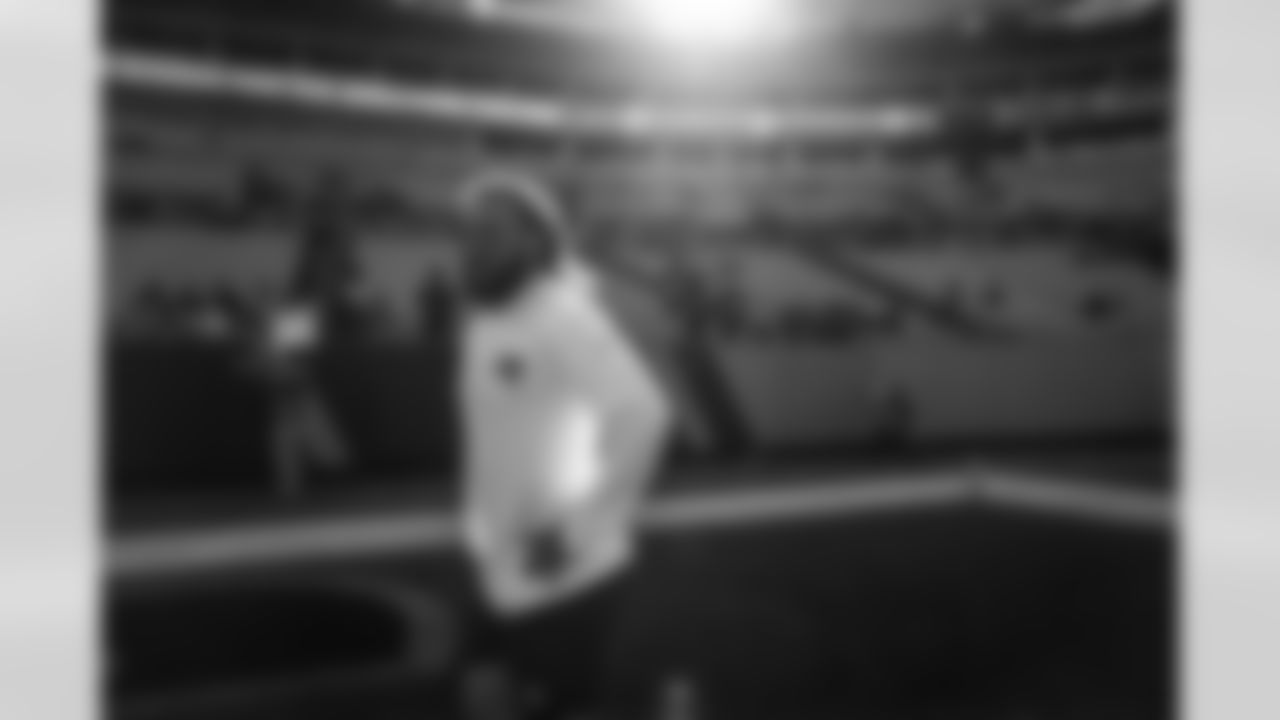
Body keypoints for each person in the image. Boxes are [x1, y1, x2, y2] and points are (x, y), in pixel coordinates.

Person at [454, 170, 675, 720]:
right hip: (500, 562)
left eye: (492, 232)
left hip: (564, 574)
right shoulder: (487, 316)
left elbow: (643, 414)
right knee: (483, 696)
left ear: (535, 242)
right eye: (469, 232)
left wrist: (575, 532)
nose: (473, 244)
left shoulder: (560, 315)